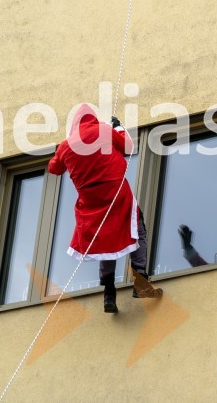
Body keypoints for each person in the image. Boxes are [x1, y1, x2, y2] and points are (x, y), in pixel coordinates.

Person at [48, 103, 162, 313]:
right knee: (137, 228)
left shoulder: (66, 145)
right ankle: (140, 279)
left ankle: (109, 293)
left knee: (104, 243)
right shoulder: (103, 130)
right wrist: (118, 127)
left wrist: (61, 149)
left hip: (91, 200)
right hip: (115, 191)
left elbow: (53, 168)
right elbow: (129, 147)